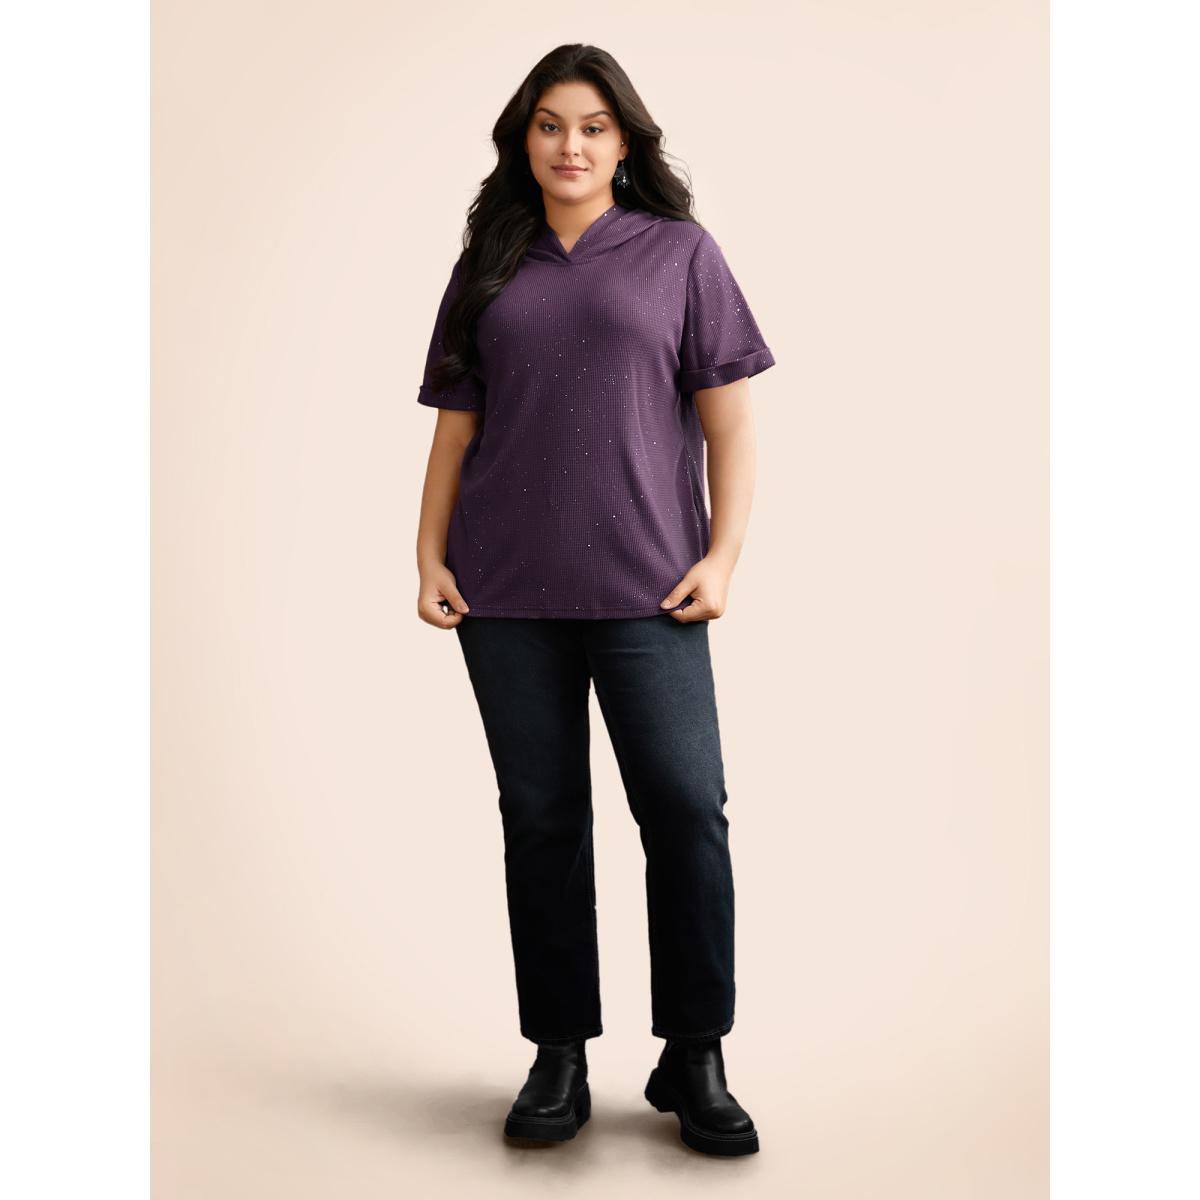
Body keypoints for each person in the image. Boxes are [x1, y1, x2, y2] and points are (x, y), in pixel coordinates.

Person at [414, 44, 776, 1158]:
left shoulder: (680, 253)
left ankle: (695, 1054)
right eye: (549, 125)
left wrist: (723, 558)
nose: (569, 145)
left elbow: (730, 426)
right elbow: (456, 431)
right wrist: (427, 555)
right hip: (504, 592)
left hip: (650, 590)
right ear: (523, 140)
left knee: (685, 810)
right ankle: (558, 1053)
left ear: (625, 143)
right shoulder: (489, 262)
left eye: (592, 126)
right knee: (543, 823)